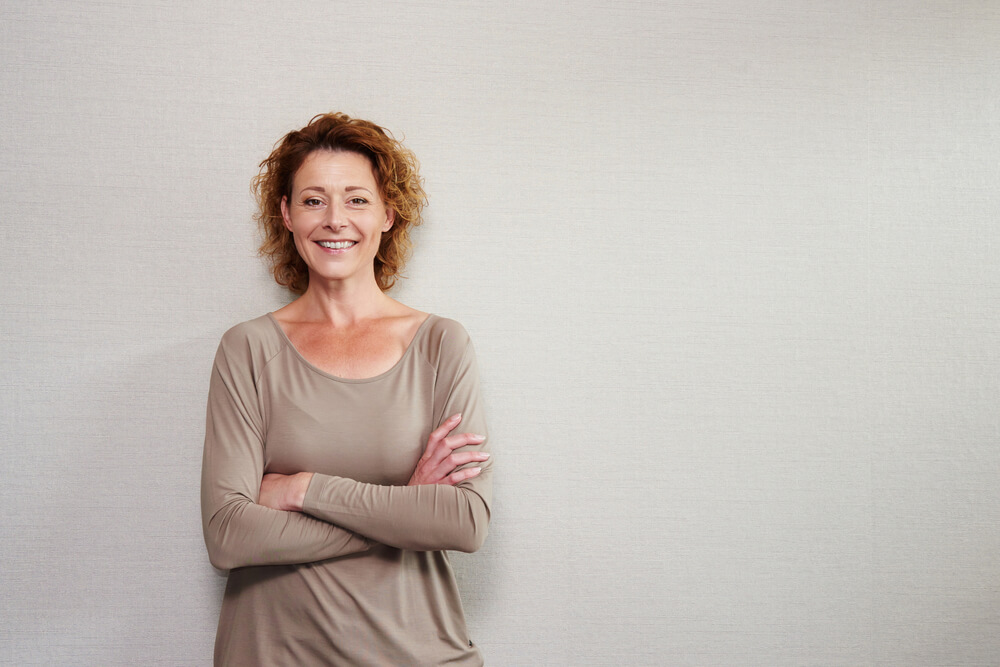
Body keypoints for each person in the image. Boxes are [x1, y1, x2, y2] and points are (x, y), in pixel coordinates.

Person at [201, 112, 493, 666]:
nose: (335, 219)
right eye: (313, 200)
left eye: (356, 199)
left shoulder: (440, 345)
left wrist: (303, 488)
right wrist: (406, 507)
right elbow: (228, 536)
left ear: (388, 213)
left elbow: (463, 522)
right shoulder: (248, 350)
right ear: (286, 214)